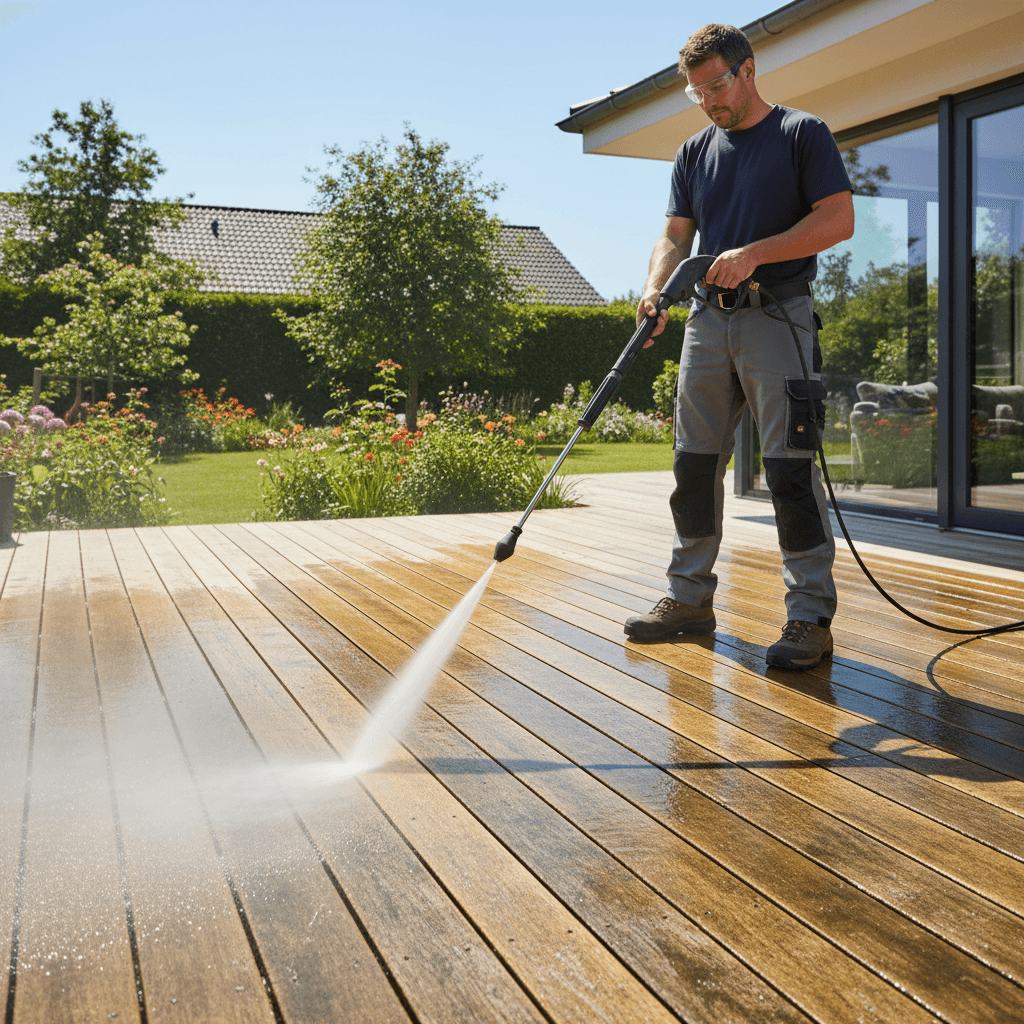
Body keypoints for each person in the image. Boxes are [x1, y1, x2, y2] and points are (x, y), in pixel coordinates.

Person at [623, 23, 854, 671]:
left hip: (778, 318)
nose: (708, 101)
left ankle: (809, 614)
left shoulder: (800, 134)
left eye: (716, 86)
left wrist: (754, 254)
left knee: (787, 469)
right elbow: (674, 235)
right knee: (693, 465)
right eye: (697, 92)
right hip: (705, 323)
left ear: (748, 70)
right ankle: (689, 600)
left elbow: (838, 220)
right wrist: (655, 287)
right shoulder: (695, 151)